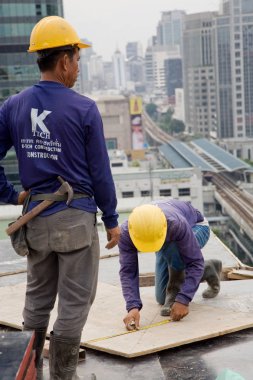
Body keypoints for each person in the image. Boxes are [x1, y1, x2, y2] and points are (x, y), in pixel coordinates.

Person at [0, 16, 120, 380]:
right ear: (64, 60)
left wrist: (10, 194)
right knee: (74, 304)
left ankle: (29, 371)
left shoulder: (14, 106)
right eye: (77, 59)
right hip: (75, 220)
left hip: (36, 220)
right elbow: (100, 172)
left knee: (36, 302)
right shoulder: (83, 109)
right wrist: (112, 219)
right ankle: (63, 376)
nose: (78, 68)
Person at [118, 200, 222, 330]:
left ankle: (186, 279)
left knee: (175, 251)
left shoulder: (176, 224)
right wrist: (132, 307)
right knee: (162, 298)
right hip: (162, 239)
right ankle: (207, 269)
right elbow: (128, 271)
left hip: (196, 227)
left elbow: (195, 262)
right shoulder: (126, 232)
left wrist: (183, 299)